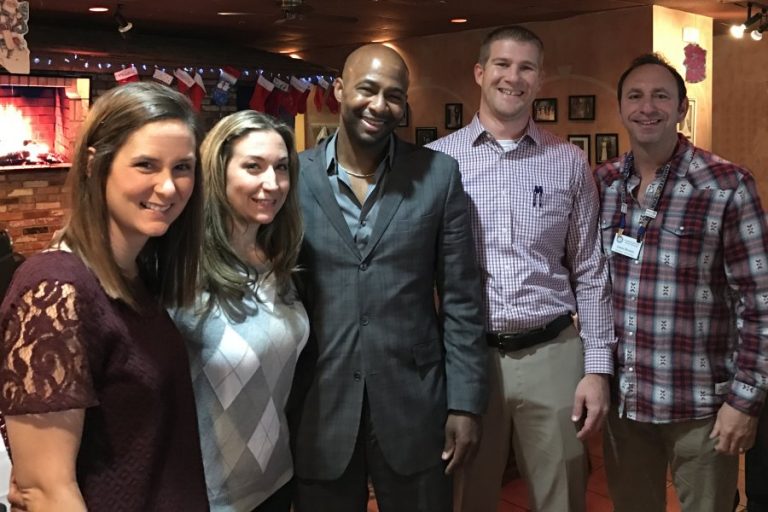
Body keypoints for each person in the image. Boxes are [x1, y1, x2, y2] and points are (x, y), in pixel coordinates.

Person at [291, 43, 487, 512]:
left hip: (414, 404)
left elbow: (462, 299)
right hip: (320, 402)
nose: (379, 106)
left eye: (394, 96)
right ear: (339, 89)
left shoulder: (438, 176)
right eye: (367, 90)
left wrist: (465, 404)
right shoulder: (291, 178)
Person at [427, 25, 615, 512]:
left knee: (564, 497)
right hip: (468, 359)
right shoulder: (436, 162)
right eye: (503, 65)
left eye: (526, 67)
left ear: (540, 78)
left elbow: (590, 270)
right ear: (480, 72)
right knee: (466, 495)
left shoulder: (569, 161)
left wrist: (596, 369)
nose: (514, 77)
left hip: (553, 353)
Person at [0, 81, 208, 510]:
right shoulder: (54, 289)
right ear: (95, 165)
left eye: (182, 167)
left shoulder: (134, 275)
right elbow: (45, 491)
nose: (168, 187)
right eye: (146, 165)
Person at [594, 53, 768, 512]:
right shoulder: (603, 183)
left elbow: (760, 301)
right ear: (621, 107)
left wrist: (745, 401)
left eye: (660, 96)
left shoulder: (726, 184)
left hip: (702, 408)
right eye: (635, 96)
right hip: (625, 405)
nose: (647, 107)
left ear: (682, 108)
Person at [171, 110, 308, 512]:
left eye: (281, 168)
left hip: (277, 480)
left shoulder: (279, 260)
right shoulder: (181, 267)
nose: (272, 183)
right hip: (207, 496)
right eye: (253, 166)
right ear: (218, 171)